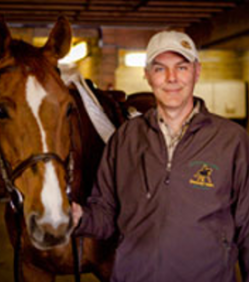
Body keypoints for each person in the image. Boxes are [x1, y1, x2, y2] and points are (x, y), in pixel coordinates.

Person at [72, 30, 249, 282]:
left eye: (181, 67)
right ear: (147, 76)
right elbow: (107, 213)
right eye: (159, 69)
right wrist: (80, 217)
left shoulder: (232, 140)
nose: (171, 78)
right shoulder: (125, 139)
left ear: (197, 72)